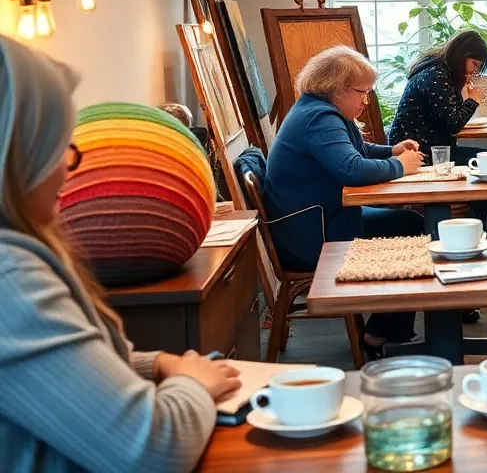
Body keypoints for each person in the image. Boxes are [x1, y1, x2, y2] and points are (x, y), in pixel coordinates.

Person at [0, 36, 240, 472]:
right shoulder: (11, 281)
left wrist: (154, 364)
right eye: (59, 148)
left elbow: (57, 372)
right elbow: (152, 450)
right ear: (17, 155)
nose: (69, 168)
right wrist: (192, 383)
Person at [264, 45, 425, 357]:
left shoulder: (318, 110)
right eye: (361, 92)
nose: (366, 101)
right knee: (409, 231)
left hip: (316, 221)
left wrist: (390, 152)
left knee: (409, 223)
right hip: (313, 235)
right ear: (336, 89)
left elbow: (356, 151)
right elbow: (351, 169)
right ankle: (382, 333)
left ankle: (389, 329)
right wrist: (400, 166)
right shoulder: (320, 118)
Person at [388, 31, 487, 344]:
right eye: (474, 64)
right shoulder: (435, 75)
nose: (474, 72)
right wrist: (473, 100)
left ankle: (474, 294)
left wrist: (465, 96)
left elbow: (446, 122)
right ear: (460, 54)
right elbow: (452, 122)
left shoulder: (440, 73)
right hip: (419, 159)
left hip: (434, 153)